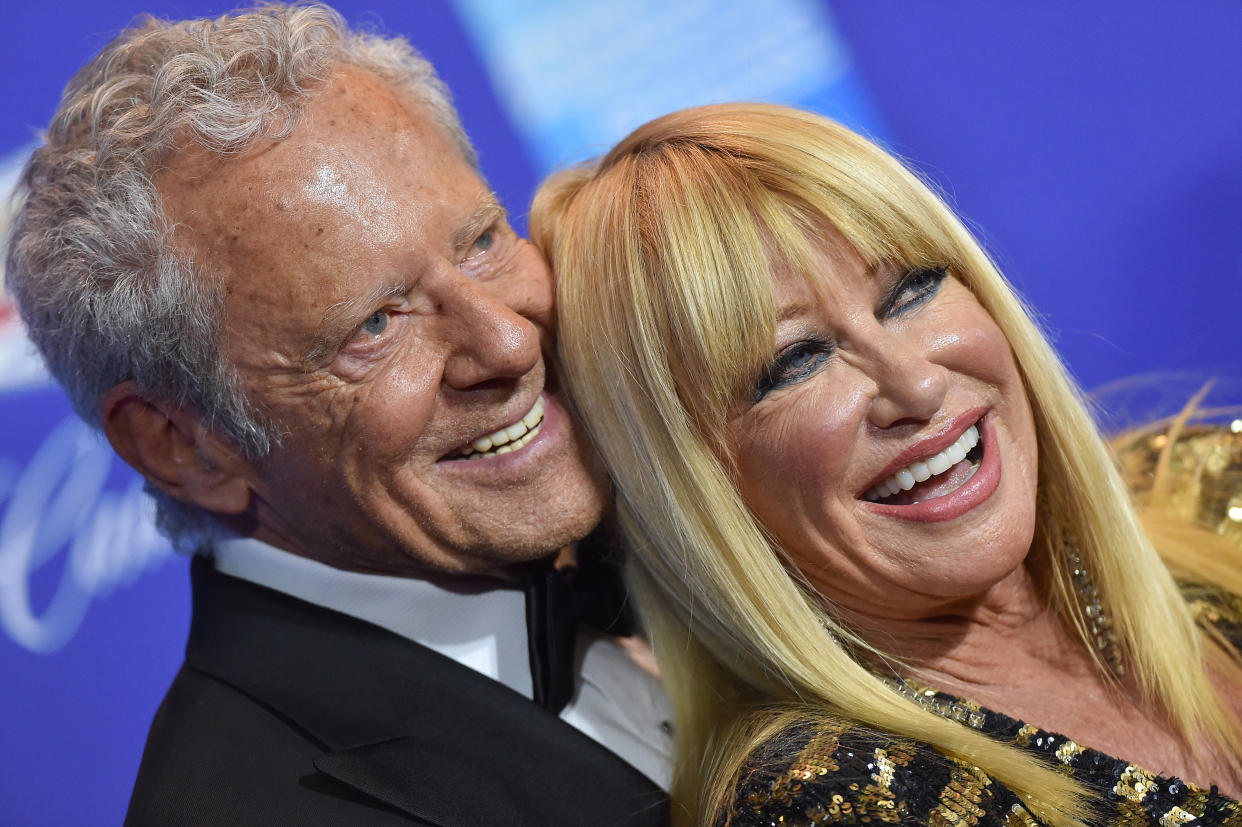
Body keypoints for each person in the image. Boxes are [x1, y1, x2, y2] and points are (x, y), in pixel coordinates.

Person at [5, 4, 670, 824]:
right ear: (186, 447)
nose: (504, 340)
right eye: (376, 325)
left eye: (482, 243)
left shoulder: (721, 497)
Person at [532, 103, 1242, 825]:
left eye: (912, 289)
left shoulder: (1209, 489)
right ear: (694, 491)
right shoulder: (827, 805)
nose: (916, 383)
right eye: (795, 361)